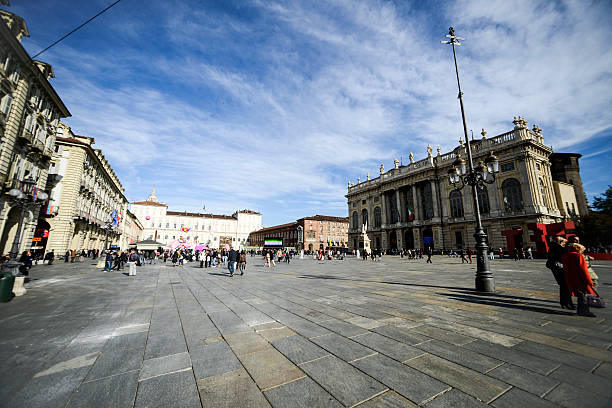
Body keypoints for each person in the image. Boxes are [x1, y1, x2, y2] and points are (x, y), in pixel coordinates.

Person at [562, 239, 597, 317]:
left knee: (580, 295)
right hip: (580, 279)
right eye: (582, 250)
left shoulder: (565, 255)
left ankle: (581, 310)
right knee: (584, 295)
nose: (582, 252)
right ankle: (584, 311)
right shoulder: (578, 256)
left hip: (571, 278)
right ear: (578, 249)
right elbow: (583, 270)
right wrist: (589, 281)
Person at [546, 236, 574, 309]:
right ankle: (567, 303)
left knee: (563, 286)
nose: (565, 243)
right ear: (561, 242)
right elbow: (561, 257)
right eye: (564, 242)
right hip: (561, 268)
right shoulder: (558, 248)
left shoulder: (552, 247)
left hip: (557, 268)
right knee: (566, 286)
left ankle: (565, 303)